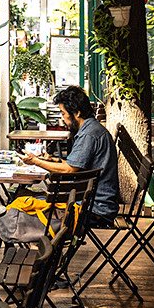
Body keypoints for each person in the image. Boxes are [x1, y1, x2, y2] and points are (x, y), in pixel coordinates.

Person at [20, 85, 121, 223]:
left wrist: (35, 161)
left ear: (77, 113)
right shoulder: (91, 128)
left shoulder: (89, 135)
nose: (62, 118)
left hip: (95, 209)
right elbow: (76, 164)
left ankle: (39, 242)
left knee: (24, 205)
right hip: (92, 202)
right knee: (26, 198)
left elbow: (70, 169)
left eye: (63, 113)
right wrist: (52, 160)